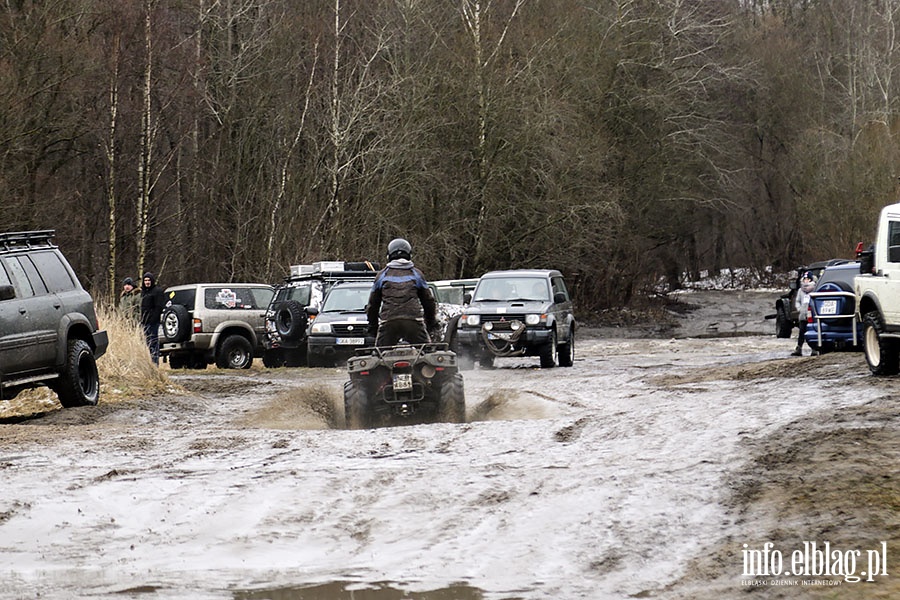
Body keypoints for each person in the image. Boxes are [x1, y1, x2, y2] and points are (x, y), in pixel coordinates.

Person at [366, 238, 438, 346]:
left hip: (389, 321)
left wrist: (373, 328)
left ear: (389, 256)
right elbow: (428, 301)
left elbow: (373, 306)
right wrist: (431, 323)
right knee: (425, 352)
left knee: (380, 355)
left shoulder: (381, 275)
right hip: (413, 320)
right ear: (409, 255)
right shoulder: (416, 274)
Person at [140, 272, 166, 365]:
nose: (147, 282)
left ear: (152, 281)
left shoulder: (157, 291)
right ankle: (149, 362)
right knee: (147, 342)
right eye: (145, 280)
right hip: (144, 321)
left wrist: (153, 318)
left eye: (149, 280)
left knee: (153, 342)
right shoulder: (143, 292)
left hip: (153, 322)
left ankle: (155, 362)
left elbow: (159, 307)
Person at [791, 270, 817, 357]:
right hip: (803, 314)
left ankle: (814, 349)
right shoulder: (800, 290)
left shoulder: (815, 289)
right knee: (802, 332)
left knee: (813, 331)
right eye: (805, 279)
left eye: (808, 279)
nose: (806, 281)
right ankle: (799, 348)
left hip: (812, 314)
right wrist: (799, 308)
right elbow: (797, 301)